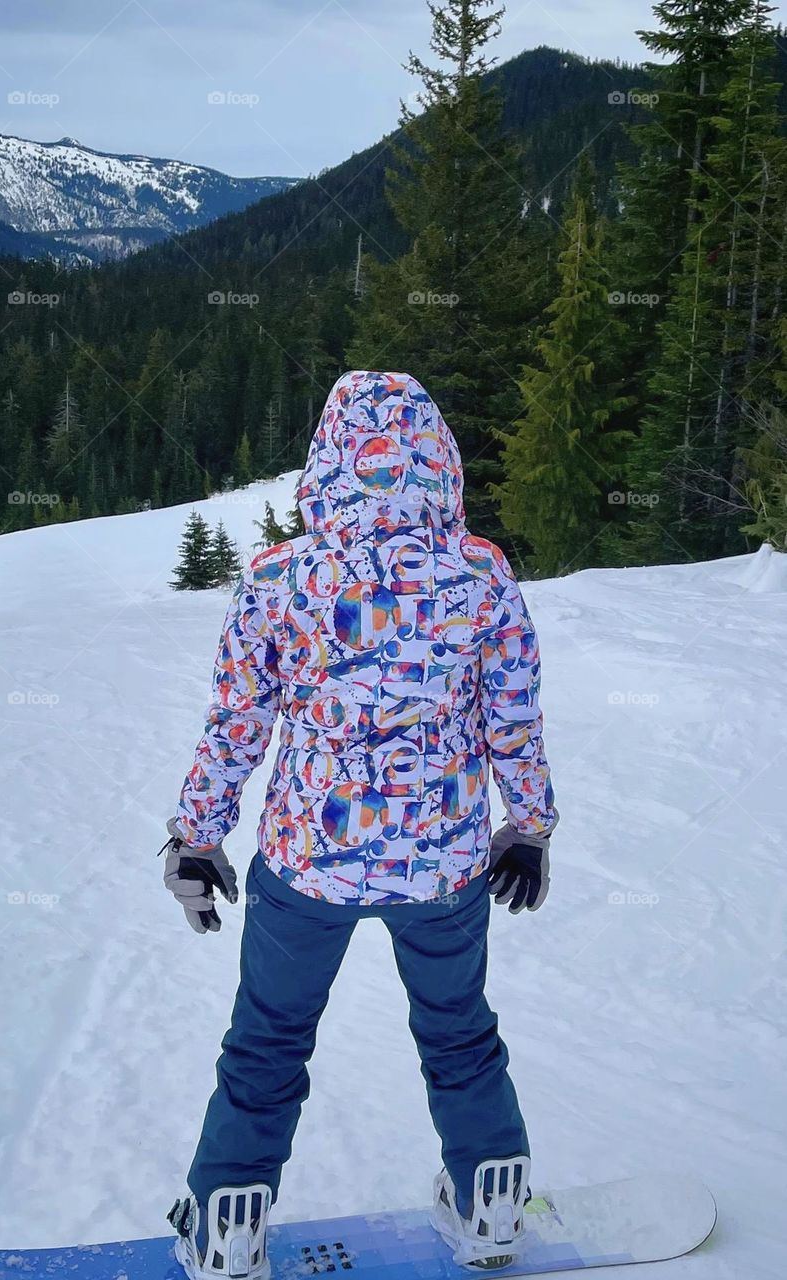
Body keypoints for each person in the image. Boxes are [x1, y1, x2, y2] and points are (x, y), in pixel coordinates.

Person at [162, 371, 558, 1280]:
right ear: (438, 460)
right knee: (459, 1031)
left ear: (327, 459)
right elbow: (514, 716)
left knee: (266, 1039)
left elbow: (237, 723)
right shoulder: (479, 574)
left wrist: (196, 835)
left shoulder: (278, 578)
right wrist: (528, 825)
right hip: (443, 868)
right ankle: (490, 1205)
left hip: (307, 865)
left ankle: (227, 1224)